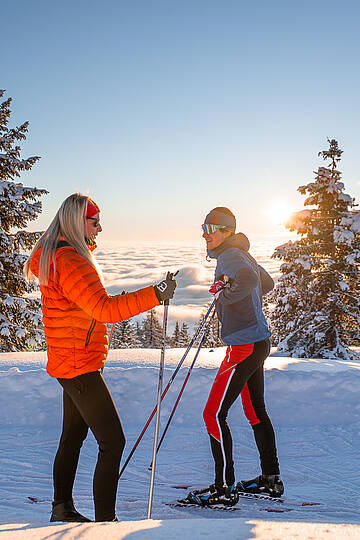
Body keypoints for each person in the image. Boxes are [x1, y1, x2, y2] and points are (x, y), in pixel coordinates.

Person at [24, 193, 176, 522]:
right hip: (78, 365)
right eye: (95, 221)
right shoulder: (70, 260)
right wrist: (154, 294)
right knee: (113, 441)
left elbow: (91, 304)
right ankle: (106, 523)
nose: (100, 228)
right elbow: (104, 310)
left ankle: (62, 508)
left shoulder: (62, 256)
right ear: (78, 221)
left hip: (71, 361)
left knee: (74, 436)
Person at [184, 207, 282, 507]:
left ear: (227, 231)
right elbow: (266, 283)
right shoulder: (241, 252)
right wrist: (236, 296)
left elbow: (251, 283)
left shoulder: (229, 256)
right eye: (204, 226)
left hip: (244, 346)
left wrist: (226, 295)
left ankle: (223, 488)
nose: (205, 232)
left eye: (211, 227)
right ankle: (270, 479)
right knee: (255, 412)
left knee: (213, 414)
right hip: (257, 341)